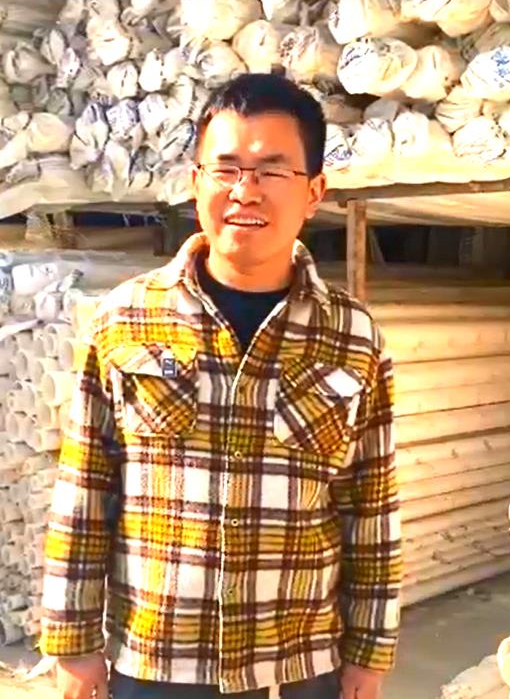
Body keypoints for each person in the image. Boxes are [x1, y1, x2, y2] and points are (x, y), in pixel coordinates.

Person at [39, 73, 402, 699]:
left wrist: (370, 653)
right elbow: (85, 487)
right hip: (158, 660)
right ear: (195, 181)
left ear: (314, 192)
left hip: (298, 662)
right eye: (226, 168)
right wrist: (72, 642)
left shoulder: (352, 335)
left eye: (272, 170)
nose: (245, 190)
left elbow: (371, 509)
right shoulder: (127, 317)